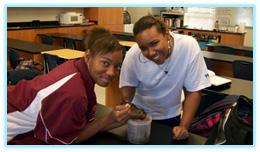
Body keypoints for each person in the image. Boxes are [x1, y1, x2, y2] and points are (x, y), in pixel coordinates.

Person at [7, 26, 131, 145]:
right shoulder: (73, 93)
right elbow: (66, 140)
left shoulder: (75, 67)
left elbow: (81, 128)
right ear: (88, 56)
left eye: (117, 67)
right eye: (105, 63)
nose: (111, 72)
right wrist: (109, 119)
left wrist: (113, 120)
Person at [119, 15, 211, 140]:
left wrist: (184, 127)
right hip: (140, 116)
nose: (151, 52)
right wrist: (126, 105)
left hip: (171, 115)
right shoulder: (133, 55)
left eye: (154, 43)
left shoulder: (188, 46)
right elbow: (127, 88)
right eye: (144, 48)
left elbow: (194, 90)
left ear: (167, 34)